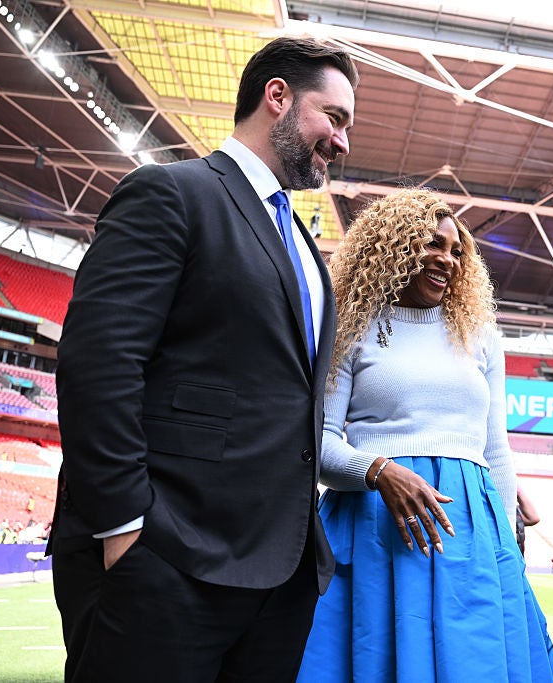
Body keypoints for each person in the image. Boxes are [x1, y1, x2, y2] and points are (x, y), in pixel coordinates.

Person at [49, 37, 357, 683]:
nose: (343, 141)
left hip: (278, 582)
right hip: (166, 563)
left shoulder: (304, 246)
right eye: (334, 117)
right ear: (278, 96)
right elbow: (99, 363)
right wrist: (126, 529)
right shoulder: (171, 192)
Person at [296, 188, 553, 682]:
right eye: (432, 244)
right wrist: (379, 471)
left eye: (457, 251)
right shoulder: (350, 330)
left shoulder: (481, 336)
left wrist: (507, 544)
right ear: (393, 247)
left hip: (470, 530)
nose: (448, 260)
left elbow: (495, 449)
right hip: (372, 527)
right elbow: (320, 443)